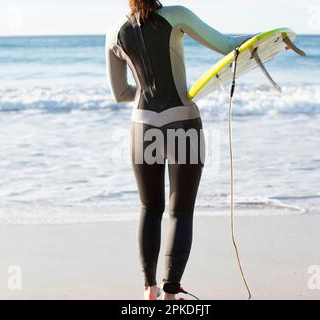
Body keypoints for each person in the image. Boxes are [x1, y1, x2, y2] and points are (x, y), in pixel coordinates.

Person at [106, 0, 245, 300]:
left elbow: (119, 93)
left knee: (149, 208)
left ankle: (149, 288)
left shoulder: (113, 33)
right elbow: (226, 46)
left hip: (142, 128)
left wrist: (145, 94)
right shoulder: (176, 15)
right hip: (182, 122)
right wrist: (271, 40)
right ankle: (171, 292)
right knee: (180, 211)